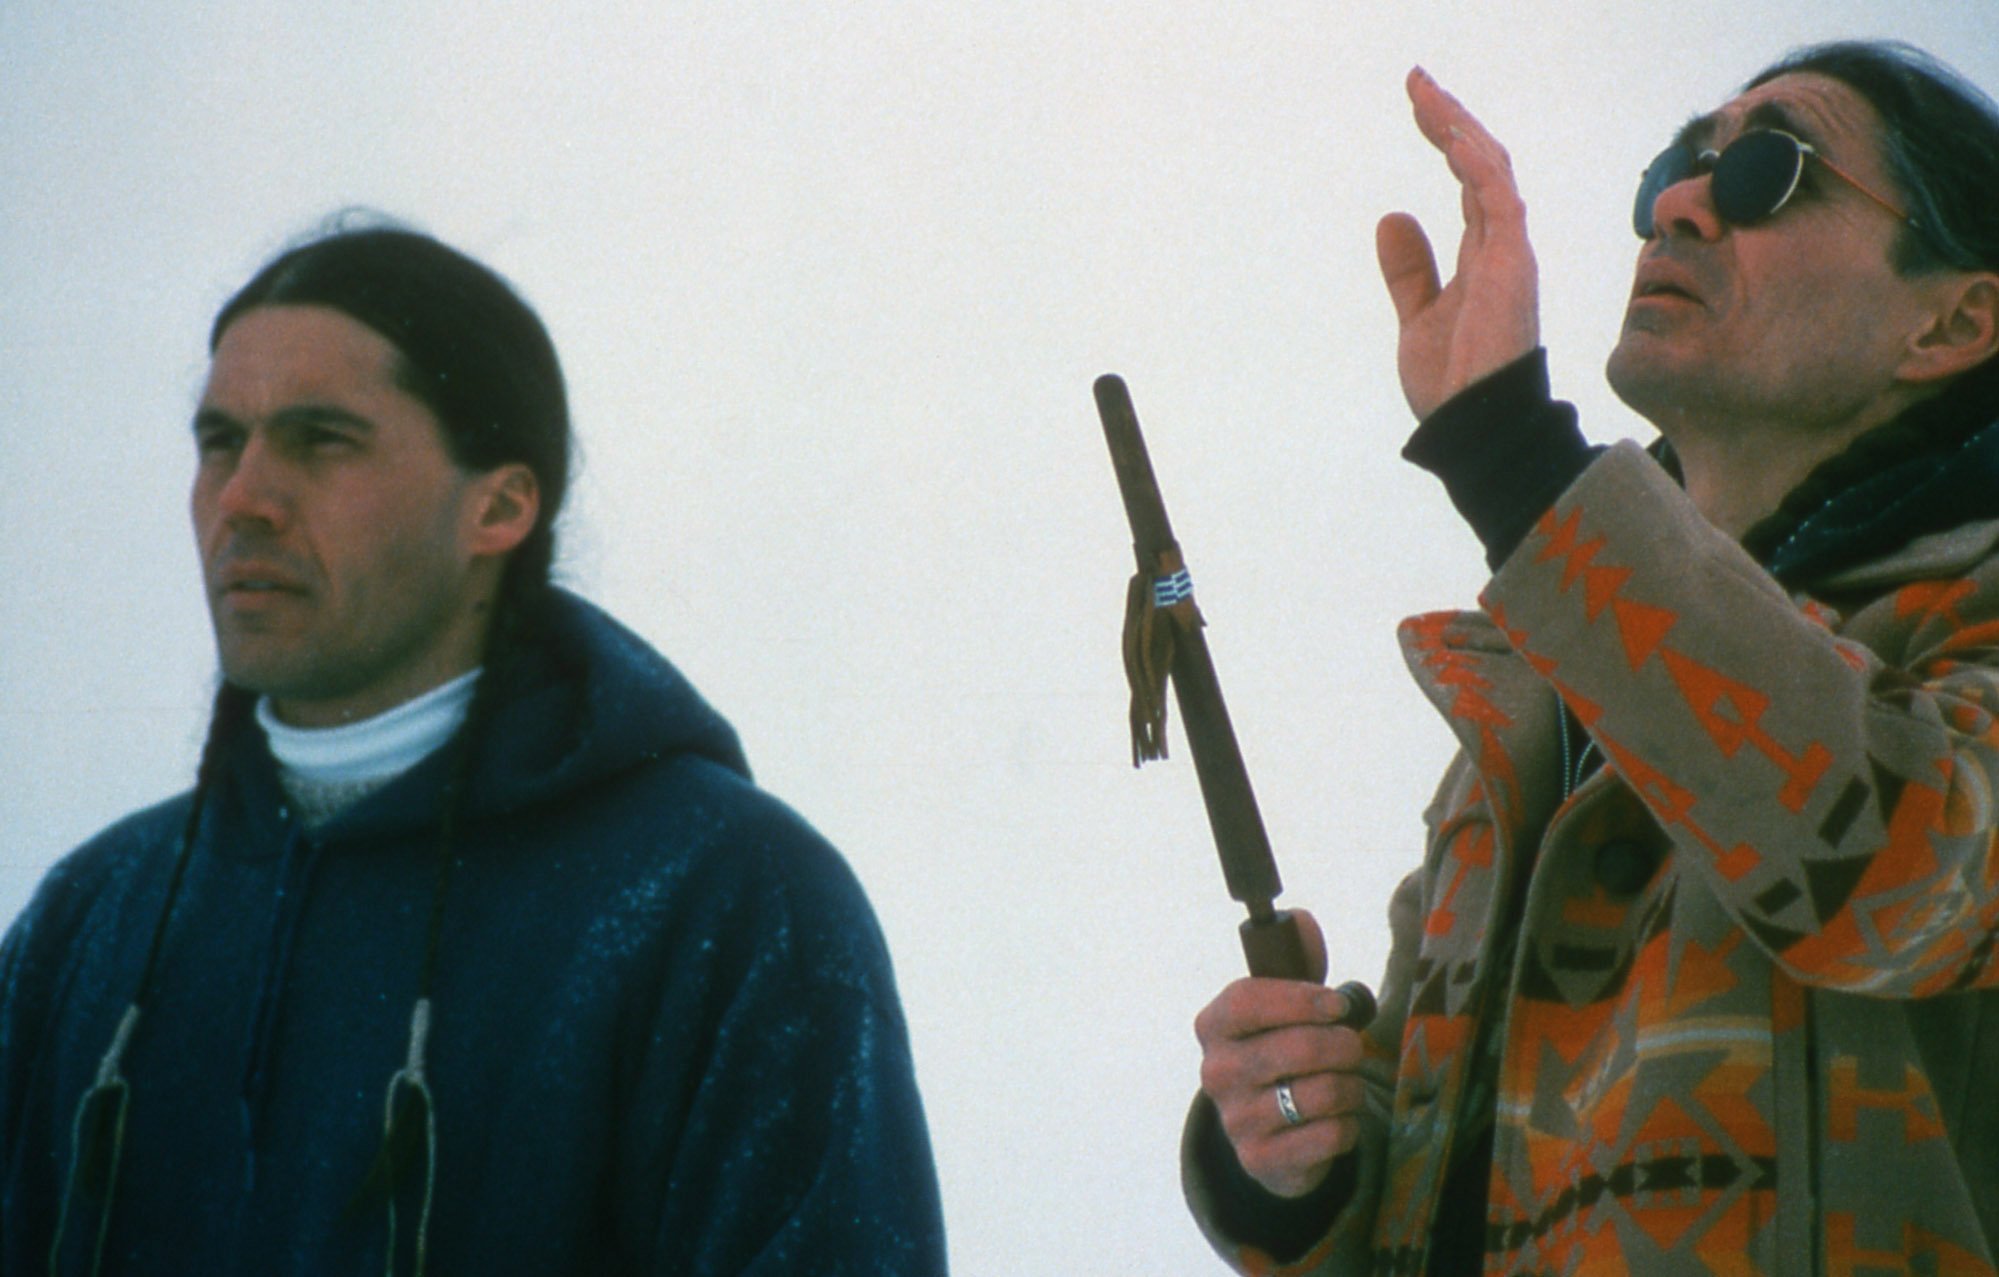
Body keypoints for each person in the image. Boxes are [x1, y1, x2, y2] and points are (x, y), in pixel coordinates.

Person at [1185, 40, 1999, 1276]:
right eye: (1679, 166)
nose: (1679, 202)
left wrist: (1514, 456)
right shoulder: (1541, 704)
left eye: (1770, 172)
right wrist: (1298, 1157)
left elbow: (1899, 864)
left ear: (1953, 319)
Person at [0, 224, 947, 1276]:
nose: (242, 500)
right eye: (221, 440)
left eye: (322, 439)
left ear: (498, 505)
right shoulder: (95, 919)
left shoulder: (723, 899)